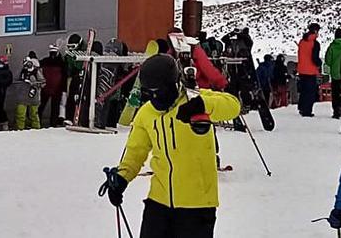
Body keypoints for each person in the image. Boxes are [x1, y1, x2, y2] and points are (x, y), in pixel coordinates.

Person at [100, 54, 241, 238]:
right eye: (149, 93)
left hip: (197, 205)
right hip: (159, 202)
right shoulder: (146, 113)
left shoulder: (195, 100)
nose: (154, 97)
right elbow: (135, 151)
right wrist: (122, 177)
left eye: (159, 91)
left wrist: (203, 105)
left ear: (174, 84)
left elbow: (233, 105)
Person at [296, 23, 323, 117]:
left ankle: (301, 107)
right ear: (316, 31)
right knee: (310, 92)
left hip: (302, 69)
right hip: (310, 70)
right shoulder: (315, 43)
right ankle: (307, 111)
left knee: (303, 91)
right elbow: (315, 58)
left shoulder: (302, 41)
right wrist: (319, 63)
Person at [38, 44, 67, 127]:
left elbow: (37, 65)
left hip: (46, 88)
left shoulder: (45, 61)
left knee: (41, 106)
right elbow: (64, 76)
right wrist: (64, 89)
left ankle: (37, 121)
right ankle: (53, 124)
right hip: (57, 89)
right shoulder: (62, 63)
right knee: (55, 108)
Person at [13, 57, 44, 130]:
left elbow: (43, 83)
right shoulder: (21, 71)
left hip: (33, 96)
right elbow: (15, 80)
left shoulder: (36, 72)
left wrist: (35, 83)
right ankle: (20, 129)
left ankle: (36, 128)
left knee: (34, 114)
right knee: (20, 114)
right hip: (22, 97)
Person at [324, 28, 341, 119]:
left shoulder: (332, 47)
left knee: (335, 94)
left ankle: (336, 111)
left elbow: (328, 61)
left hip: (335, 74)